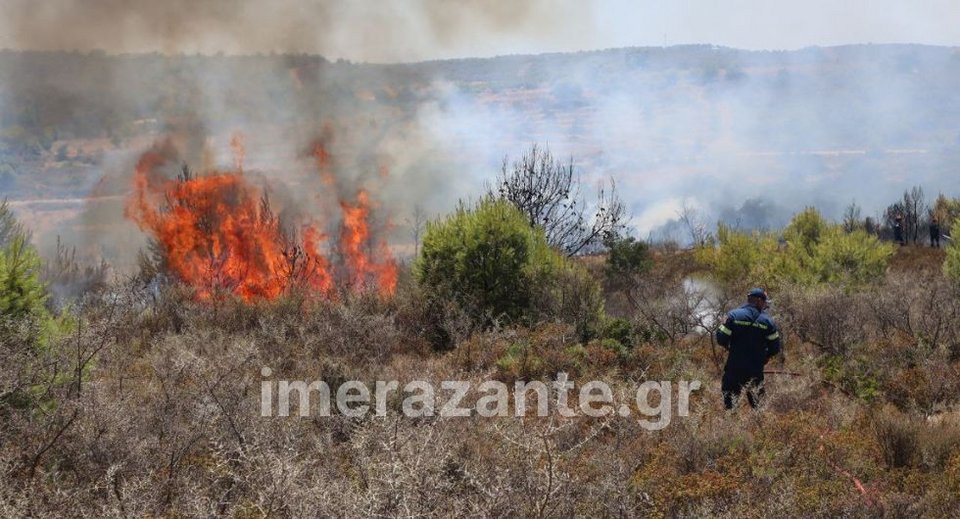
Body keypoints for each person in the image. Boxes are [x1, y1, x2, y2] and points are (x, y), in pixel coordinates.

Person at [716, 288, 782, 410]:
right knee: (758, 408)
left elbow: (721, 338)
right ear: (758, 300)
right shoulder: (768, 321)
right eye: (764, 301)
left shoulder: (733, 315)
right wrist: (766, 357)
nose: (765, 305)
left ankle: (730, 428)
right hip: (755, 371)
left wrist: (729, 347)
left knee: (730, 407)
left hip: (733, 369)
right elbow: (775, 347)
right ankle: (759, 428)